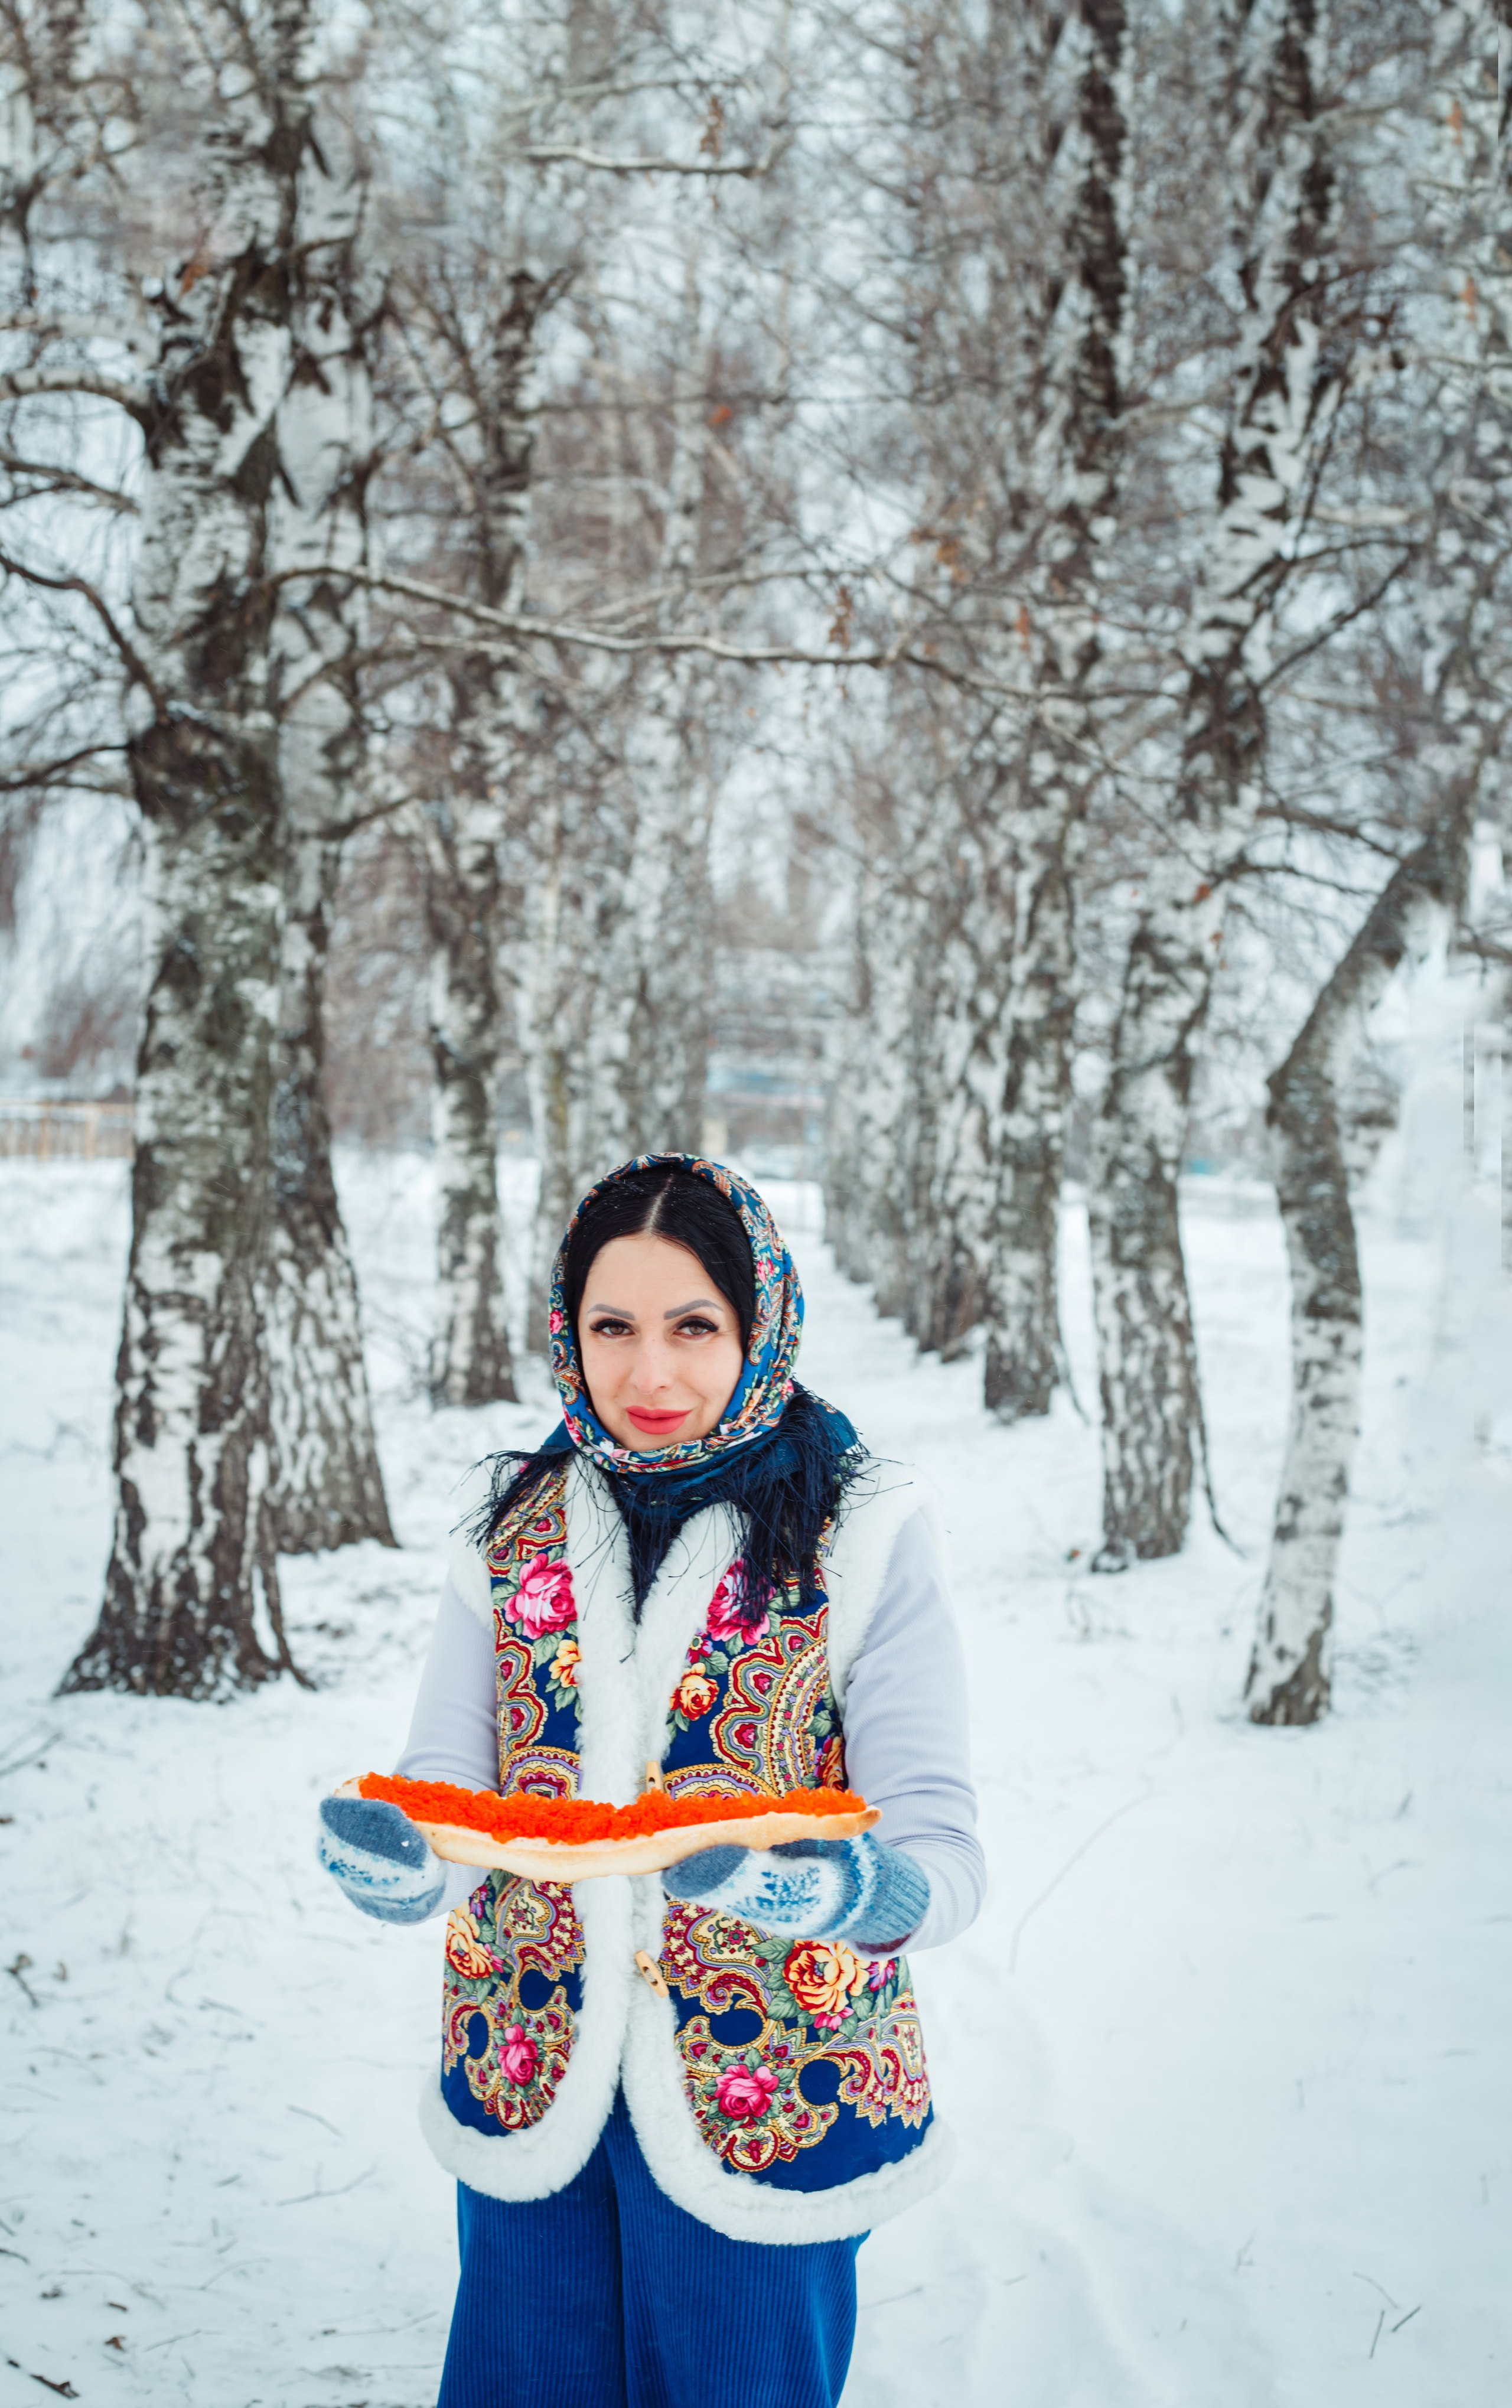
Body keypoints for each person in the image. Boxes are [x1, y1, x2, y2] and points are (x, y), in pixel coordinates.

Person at [318, 1154, 984, 2408]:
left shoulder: (863, 1528)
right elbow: (448, 1777)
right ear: (567, 1332)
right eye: (610, 1327)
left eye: (694, 1326)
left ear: (759, 1322)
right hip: (530, 2073)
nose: (648, 1375)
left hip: (772, 2092)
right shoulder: (510, 1527)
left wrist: (845, 1887)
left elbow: (942, 1850)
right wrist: (408, 1853)